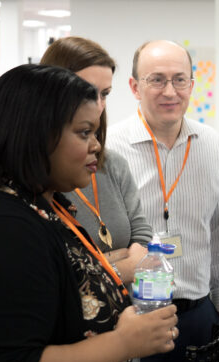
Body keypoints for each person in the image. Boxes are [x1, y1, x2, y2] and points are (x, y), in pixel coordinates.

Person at [0, 64, 178, 362]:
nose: (97, 146)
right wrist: (123, 343)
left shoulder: (48, 203)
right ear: (36, 134)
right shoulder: (7, 226)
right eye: (84, 133)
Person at [107, 40, 219, 362]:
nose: (170, 91)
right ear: (135, 86)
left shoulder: (212, 146)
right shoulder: (110, 149)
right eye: (157, 79)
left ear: (192, 85)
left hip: (198, 313)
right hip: (129, 317)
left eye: (180, 79)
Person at [41, 36, 151, 284]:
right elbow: (58, 270)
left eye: (105, 94)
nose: (99, 106)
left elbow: (141, 232)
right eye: (88, 93)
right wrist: (122, 268)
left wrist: (127, 260)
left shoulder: (112, 164)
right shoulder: (36, 177)